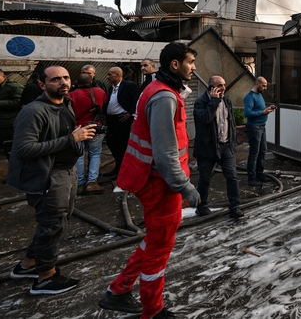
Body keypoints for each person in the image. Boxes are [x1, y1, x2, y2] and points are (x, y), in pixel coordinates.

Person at [99, 42, 201, 318]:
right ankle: (153, 310)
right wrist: (187, 188)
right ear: (175, 65)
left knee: (154, 239)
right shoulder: (164, 97)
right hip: (160, 183)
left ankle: (118, 290)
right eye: (190, 61)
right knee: (159, 248)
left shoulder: (156, 89)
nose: (194, 67)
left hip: (152, 179)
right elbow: (167, 154)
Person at [6, 66, 96, 295]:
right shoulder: (34, 111)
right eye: (55, 79)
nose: (63, 82)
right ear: (42, 84)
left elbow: (59, 135)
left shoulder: (66, 103)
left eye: (66, 78)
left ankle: (28, 265)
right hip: (48, 177)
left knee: (57, 221)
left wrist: (75, 133)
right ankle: (45, 277)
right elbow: (24, 149)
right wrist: (70, 138)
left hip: (66, 172)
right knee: (53, 225)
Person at [193, 75, 244, 219]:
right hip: (207, 148)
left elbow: (231, 122)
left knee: (232, 177)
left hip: (226, 146)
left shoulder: (226, 99)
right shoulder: (200, 102)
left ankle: (235, 207)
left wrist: (233, 142)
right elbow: (204, 119)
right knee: (205, 179)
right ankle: (201, 206)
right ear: (211, 87)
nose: (224, 88)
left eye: (224, 84)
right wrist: (213, 101)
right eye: (220, 85)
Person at [68, 73, 107, 195]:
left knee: (79, 155)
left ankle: (79, 183)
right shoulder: (100, 91)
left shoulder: (71, 95)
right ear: (92, 82)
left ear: (77, 83)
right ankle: (92, 182)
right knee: (95, 153)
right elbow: (105, 105)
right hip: (96, 128)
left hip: (77, 129)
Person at [102, 66, 138, 179]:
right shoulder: (111, 88)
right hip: (111, 120)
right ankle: (118, 167)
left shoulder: (128, 85)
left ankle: (123, 171)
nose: (107, 77)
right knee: (111, 143)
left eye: (110, 74)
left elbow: (137, 100)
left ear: (118, 75)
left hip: (122, 120)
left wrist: (130, 113)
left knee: (122, 145)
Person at [244, 77, 275, 187]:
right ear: (257, 84)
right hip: (254, 128)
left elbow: (259, 109)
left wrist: (268, 108)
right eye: (264, 86)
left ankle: (259, 174)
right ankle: (251, 178)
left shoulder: (259, 95)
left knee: (263, 151)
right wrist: (263, 112)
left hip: (261, 127)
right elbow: (247, 113)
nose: (265, 88)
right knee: (254, 153)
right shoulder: (250, 97)